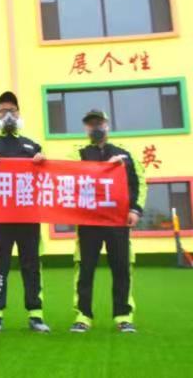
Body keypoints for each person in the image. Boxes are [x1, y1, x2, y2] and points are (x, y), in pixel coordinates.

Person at [70, 109, 145, 334]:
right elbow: (69, 180)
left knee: (122, 268)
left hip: (118, 221)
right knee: (85, 269)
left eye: (99, 123)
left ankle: (123, 316)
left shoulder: (125, 153)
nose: (96, 127)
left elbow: (139, 182)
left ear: (107, 125)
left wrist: (135, 209)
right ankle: (83, 316)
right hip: (89, 222)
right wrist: (106, 168)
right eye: (91, 124)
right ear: (86, 128)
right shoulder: (77, 154)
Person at [0, 91, 50, 334]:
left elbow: (46, 179)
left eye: (12, 110)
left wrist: (43, 162)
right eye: (3, 111)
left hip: (28, 216)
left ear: (19, 113)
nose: (8, 115)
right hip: (0, 217)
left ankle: (35, 314)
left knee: (31, 264)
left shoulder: (33, 146)